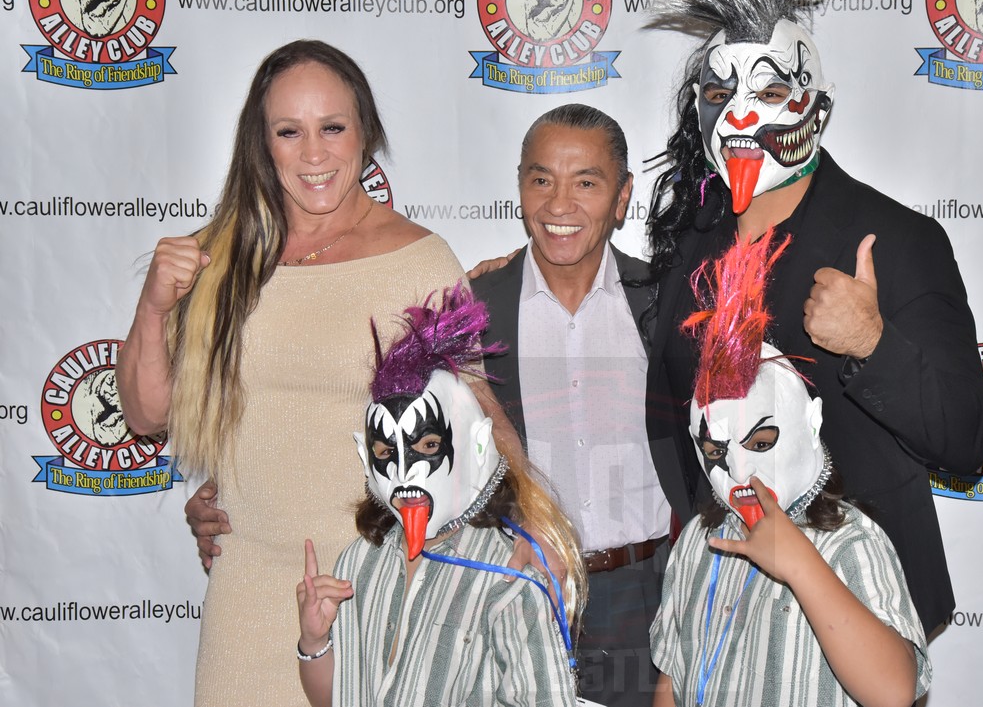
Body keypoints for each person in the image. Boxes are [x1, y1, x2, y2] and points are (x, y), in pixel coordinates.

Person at [643, 0, 983, 636]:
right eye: (719, 89)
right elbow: (670, 412)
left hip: (861, 613)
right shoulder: (692, 241)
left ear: (816, 106)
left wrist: (872, 341)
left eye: (770, 87)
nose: (739, 111)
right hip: (729, 605)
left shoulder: (894, 239)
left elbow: (966, 443)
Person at [115, 40, 474, 707]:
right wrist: (153, 303)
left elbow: (467, 450)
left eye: (332, 128)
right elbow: (145, 415)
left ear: (366, 134)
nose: (313, 154)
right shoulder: (220, 256)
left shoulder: (422, 264)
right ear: (264, 141)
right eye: (290, 131)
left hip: (375, 588)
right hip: (247, 592)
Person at [650, 230, 929, 707]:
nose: (740, 470)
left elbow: (894, 691)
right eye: (716, 451)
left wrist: (801, 564)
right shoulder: (699, 542)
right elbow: (672, 680)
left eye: (760, 441)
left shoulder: (851, 543)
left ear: (810, 421)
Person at [472, 104, 691, 706]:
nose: (558, 205)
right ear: (520, 187)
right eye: (541, 179)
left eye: (585, 183)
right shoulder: (471, 311)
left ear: (622, 199)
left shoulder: (668, 303)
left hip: (648, 593)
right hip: (516, 588)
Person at [295, 286, 585, 707]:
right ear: (366, 458)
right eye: (384, 453)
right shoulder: (359, 563)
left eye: (428, 446)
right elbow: (334, 698)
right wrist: (314, 640)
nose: (403, 471)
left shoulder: (509, 576)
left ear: (480, 446)